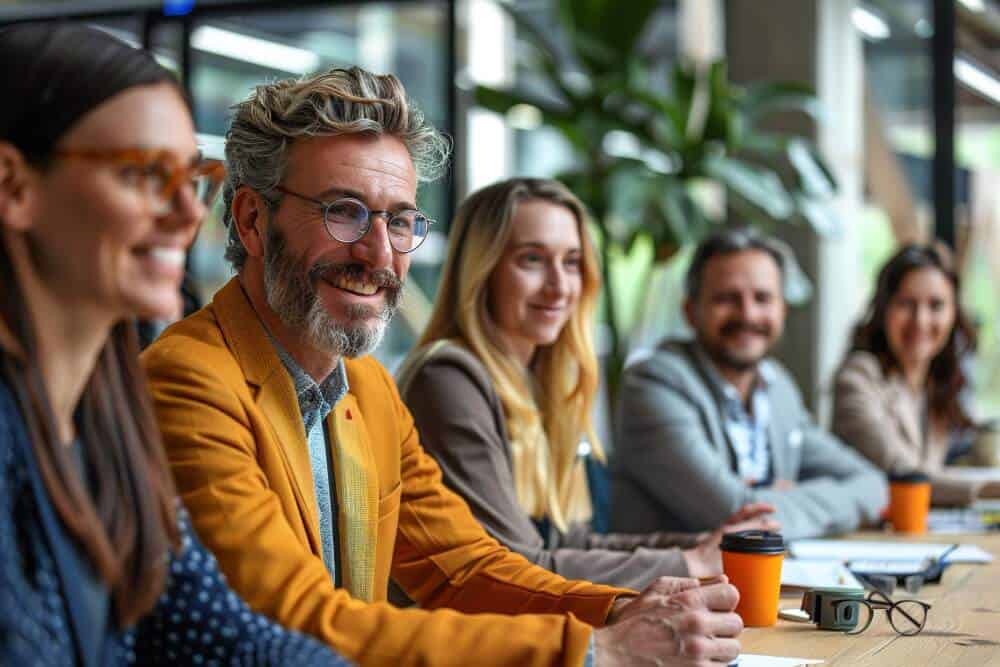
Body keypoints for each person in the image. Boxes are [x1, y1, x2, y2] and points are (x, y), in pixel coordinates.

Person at [142, 67, 744, 666]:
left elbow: (466, 570)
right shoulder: (187, 381)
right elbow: (291, 622)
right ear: (252, 220)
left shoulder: (368, 388)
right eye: (344, 212)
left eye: (399, 221)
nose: (378, 255)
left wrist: (621, 613)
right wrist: (595, 651)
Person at [0, 24, 351, 667]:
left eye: (191, 178)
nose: (188, 215)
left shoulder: (105, 419)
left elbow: (219, 633)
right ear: (13, 187)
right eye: (142, 174)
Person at [397, 178, 777, 591]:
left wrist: (706, 544)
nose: (560, 286)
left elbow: (573, 544)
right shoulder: (448, 380)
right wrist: (687, 560)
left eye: (572, 262)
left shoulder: (540, 383)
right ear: (482, 269)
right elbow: (516, 569)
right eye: (532, 260)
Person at [612, 228, 887, 540]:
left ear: (782, 309)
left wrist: (770, 500)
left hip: (771, 581)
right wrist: (771, 500)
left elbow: (871, 484)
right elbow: (734, 513)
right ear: (690, 311)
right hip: (670, 585)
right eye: (727, 299)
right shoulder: (653, 384)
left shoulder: (778, 387)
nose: (748, 314)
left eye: (763, 298)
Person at [833, 243, 1000, 505]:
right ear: (883, 309)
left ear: (954, 314)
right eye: (906, 304)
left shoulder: (935, 384)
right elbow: (906, 475)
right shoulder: (858, 377)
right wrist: (990, 489)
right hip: (867, 536)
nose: (921, 321)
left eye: (936, 305)